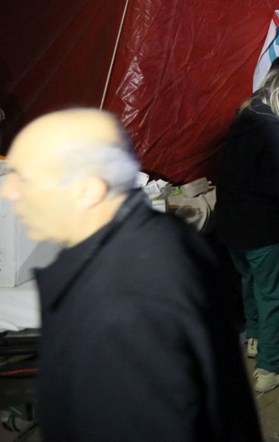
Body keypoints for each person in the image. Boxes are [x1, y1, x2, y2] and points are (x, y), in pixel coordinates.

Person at [0, 109, 262, 440]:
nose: (9, 192)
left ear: (88, 190)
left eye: (25, 178)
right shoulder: (155, 236)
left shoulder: (118, 303)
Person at [214, 67, 279, 393]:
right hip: (264, 230)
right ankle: (270, 367)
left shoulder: (245, 119)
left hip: (231, 224)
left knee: (251, 282)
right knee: (275, 295)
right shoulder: (277, 134)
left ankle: (255, 337)